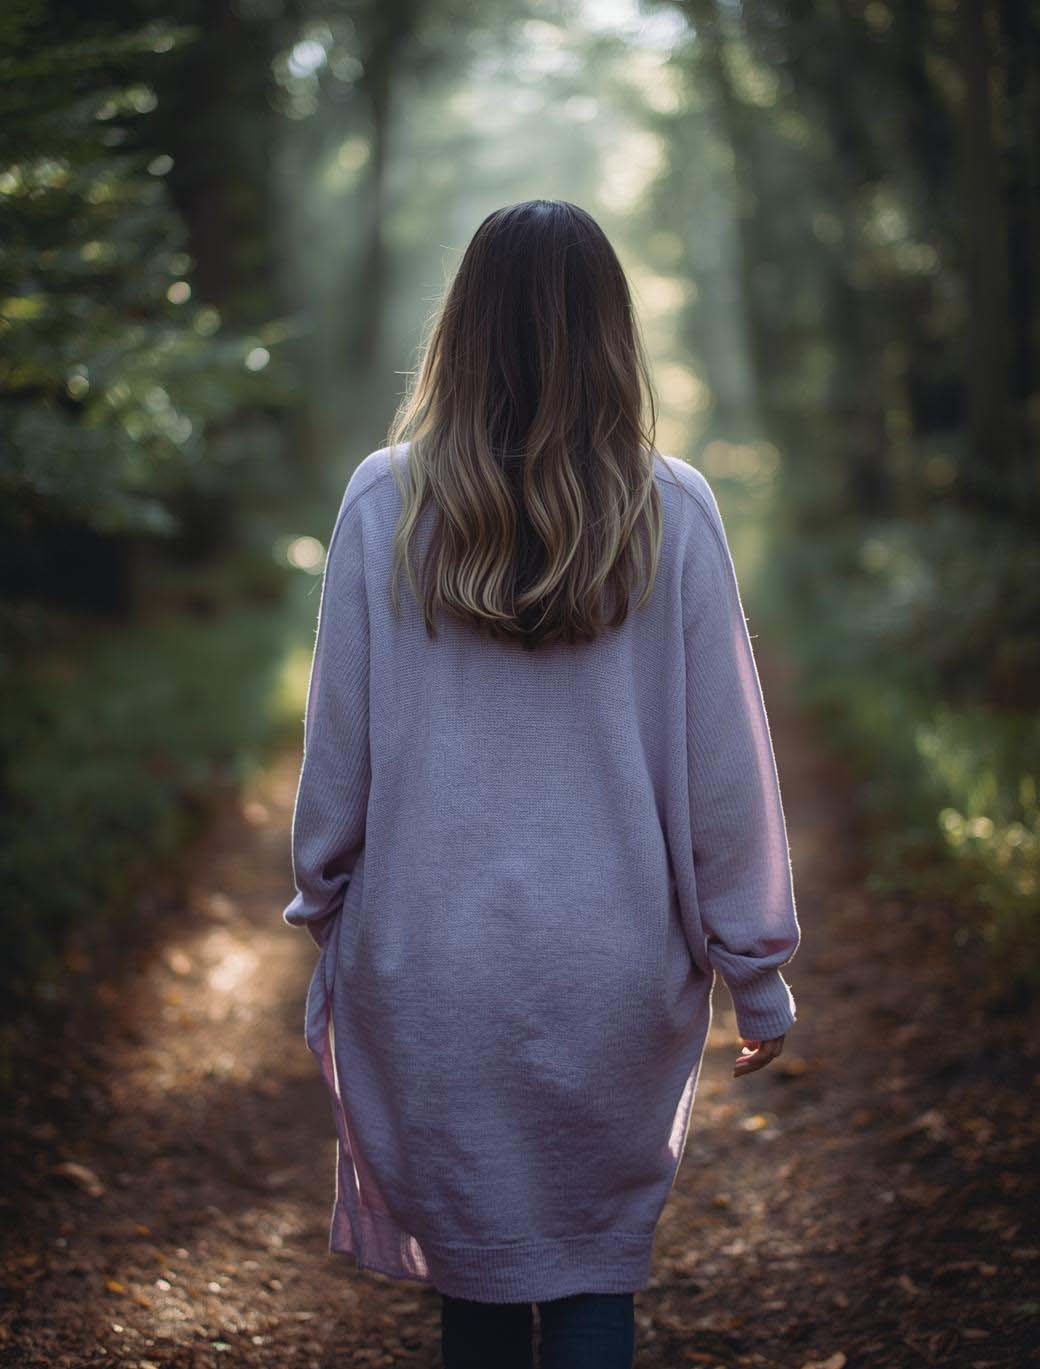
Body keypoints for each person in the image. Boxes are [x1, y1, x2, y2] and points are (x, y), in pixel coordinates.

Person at [282, 199, 801, 1369]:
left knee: (474, 1281)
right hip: (613, 971)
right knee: (585, 1270)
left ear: (459, 330)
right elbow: (728, 768)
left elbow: (339, 751)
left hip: (432, 968)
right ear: (611, 335)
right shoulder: (673, 508)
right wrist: (754, 970)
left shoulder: (385, 500)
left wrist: (323, 905)